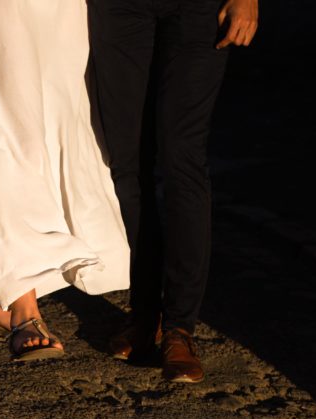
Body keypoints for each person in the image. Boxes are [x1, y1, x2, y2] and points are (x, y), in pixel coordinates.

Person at [0, 0, 131, 362]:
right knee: (12, 140)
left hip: (67, 14)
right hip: (4, 13)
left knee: (63, 134)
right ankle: (24, 310)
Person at [90, 0, 258, 382]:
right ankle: (144, 316)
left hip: (198, 8)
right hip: (119, 9)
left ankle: (180, 328)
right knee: (127, 161)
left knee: (182, 156)